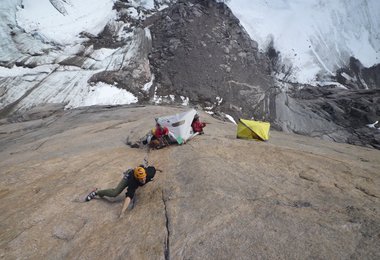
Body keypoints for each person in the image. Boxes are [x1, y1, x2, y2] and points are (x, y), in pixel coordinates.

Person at [85, 165, 157, 217]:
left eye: (144, 178)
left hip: (138, 171)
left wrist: (159, 170)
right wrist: (123, 211)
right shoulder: (133, 182)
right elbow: (129, 195)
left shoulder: (149, 173)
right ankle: (96, 192)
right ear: (137, 179)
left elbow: (153, 168)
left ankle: (138, 171)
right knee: (114, 193)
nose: (143, 180)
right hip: (129, 177)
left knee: (143, 182)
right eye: (141, 179)